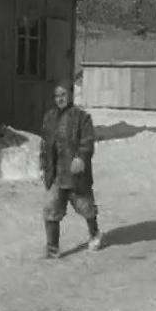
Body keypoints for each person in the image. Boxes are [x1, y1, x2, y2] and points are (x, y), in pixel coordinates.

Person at [39, 80, 102, 259]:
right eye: (57, 96)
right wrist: (43, 166)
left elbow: (88, 141)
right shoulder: (49, 118)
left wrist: (81, 157)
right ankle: (52, 249)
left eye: (63, 95)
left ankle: (94, 233)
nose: (60, 99)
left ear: (71, 95)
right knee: (51, 209)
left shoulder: (82, 117)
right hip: (56, 174)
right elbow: (45, 145)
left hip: (76, 174)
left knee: (85, 207)